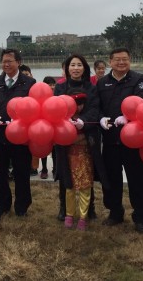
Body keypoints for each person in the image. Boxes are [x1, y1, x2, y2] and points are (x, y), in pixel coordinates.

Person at [96, 47, 143, 233]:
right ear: (110, 62)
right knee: (111, 180)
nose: (121, 63)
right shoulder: (102, 83)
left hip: (133, 140)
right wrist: (101, 117)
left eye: (125, 59)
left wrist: (128, 117)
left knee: (137, 179)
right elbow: (97, 105)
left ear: (130, 60)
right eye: (117, 60)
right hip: (110, 140)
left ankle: (141, 217)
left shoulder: (138, 79)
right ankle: (115, 213)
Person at [54, 54, 105, 222]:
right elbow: (55, 107)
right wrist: (65, 121)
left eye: (79, 65)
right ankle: (64, 209)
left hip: (86, 136)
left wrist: (82, 122)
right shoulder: (60, 88)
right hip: (64, 136)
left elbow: (95, 109)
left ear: (84, 68)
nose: (75, 68)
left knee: (87, 173)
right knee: (64, 172)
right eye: (72, 65)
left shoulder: (91, 87)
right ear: (67, 68)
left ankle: (89, 209)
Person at [0, 48, 36, 220]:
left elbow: (35, 108)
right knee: (1, 173)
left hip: (21, 137)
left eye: (10, 61)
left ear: (19, 62)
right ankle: (2, 206)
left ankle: (22, 207)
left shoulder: (30, 83)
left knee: (21, 172)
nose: (6, 64)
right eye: (4, 61)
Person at [55, 88, 95, 231]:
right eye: (75, 103)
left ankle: (83, 217)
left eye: (81, 103)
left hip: (84, 157)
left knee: (84, 186)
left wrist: (78, 136)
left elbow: (91, 136)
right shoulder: (62, 119)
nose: (78, 107)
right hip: (68, 158)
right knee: (69, 186)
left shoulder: (88, 118)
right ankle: (69, 214)